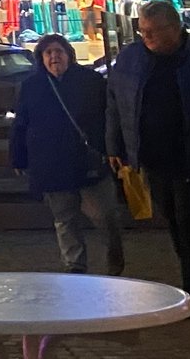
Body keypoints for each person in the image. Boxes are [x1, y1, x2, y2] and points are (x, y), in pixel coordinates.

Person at [106, 0, 190, 316]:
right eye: (143, 31)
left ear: (175, 28)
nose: (147, 37)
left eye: (153, 31)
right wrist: (114, 146)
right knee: (171, 217)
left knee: (189, 219)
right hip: (153, 155)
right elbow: (115, 103)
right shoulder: (130, 59)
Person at [10, 34, 122, 274]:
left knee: (104, 216)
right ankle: (75, 267)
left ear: (69, 54)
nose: (54, 57)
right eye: (48, 52)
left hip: (88, 161)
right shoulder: (32, 86)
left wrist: (112, 149)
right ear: (41, 58)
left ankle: (114, 262)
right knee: (64, 219)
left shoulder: (90, 81)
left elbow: (109, 117)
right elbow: (21, 123)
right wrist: (18, 156)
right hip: (52, 164)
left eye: (58, 51)